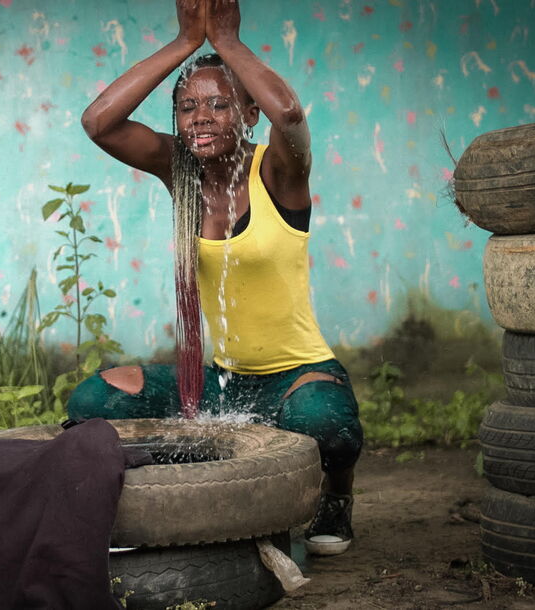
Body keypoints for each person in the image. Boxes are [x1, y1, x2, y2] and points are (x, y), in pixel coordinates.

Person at [68, 0, 364, 556]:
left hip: (298, 376)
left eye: (219, 104)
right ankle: (145, 506)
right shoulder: (177, 170)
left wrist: (226, 41)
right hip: (223, 382)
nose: (199, 117)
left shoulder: (279, 171)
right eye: (186, 108)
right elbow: (98, 122)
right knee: (95, 400)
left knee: (323, 420)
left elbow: (291, 117)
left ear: (249, 114)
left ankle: (336, 499)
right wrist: (185, 42)